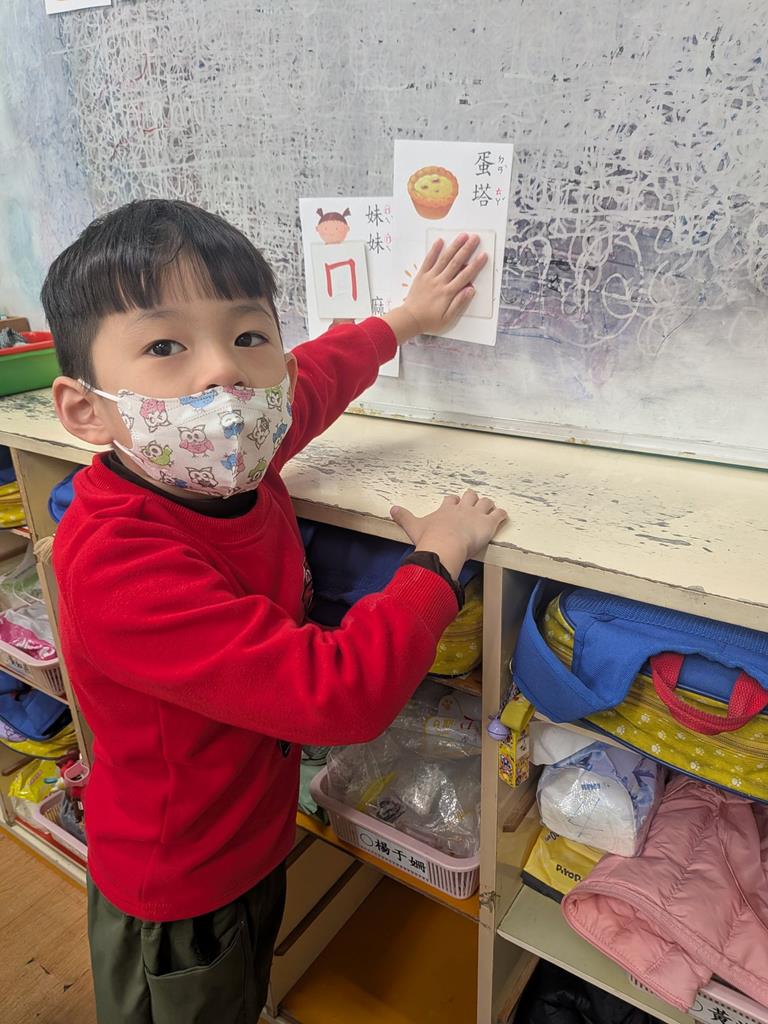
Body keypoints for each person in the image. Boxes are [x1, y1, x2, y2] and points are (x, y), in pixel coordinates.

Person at [42, 198, 507, 1023]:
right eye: (165, 346)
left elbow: (314, 380)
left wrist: (406, 318)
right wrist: (437, 558)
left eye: (249, 335)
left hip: (249, 840)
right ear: (87, 409)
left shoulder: (225, 455)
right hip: (182, 891)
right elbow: (339, 693)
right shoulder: (116, 561)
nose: (223, 374)